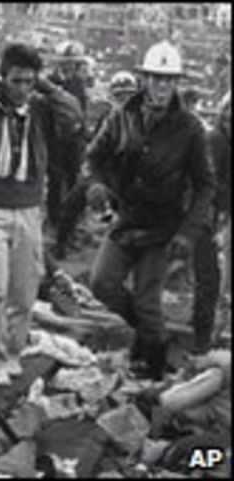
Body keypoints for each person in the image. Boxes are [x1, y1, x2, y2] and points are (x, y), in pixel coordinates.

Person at [87, 40, 216, 380]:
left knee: (148, 301)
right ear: (144, 79)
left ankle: (154, 371)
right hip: (127, 218)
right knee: (101, 282)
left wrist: (188, 232)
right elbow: (93, 157)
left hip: (163, 226)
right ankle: (147, 334)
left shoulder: (190, 128)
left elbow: (206, 184)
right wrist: (97, 184)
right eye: (156, 78)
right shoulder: (121, 117)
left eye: (169, 79)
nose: (162, 86)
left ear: (177, 83)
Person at [0, 43, 83, 386]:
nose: (22, 89)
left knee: (24, 292)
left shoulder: (41, 109)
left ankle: (13, 352)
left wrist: (46, 86)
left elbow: (73, 113)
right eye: (16, 81)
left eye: (28, 82)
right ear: (4, 79)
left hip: (29, 210)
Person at [52, 70, 139, 260]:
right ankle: (60, 244)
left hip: (126, 177)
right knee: (71, 203)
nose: (124, 99)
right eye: (120, 95)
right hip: (102, 173)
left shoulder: (141, 122)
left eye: (128, 95)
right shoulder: (107, 118)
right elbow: (94, 145)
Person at [195, 90, 230, 350]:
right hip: (202, 218)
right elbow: (208, 183)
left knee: (212, 278)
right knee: (209, 279)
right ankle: (202, 335)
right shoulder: (215, 140)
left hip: (215, 216)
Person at [46, 39, 88, 230]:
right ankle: (54, 219)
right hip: (55, 139)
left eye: (73, 61)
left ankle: (71, 222)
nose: (69, 65)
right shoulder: (50, 83)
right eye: (66, 61)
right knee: (55, 179)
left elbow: (82, 109)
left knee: (74, 178)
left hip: (74, 140)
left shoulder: (78, 83)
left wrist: (81, 132)